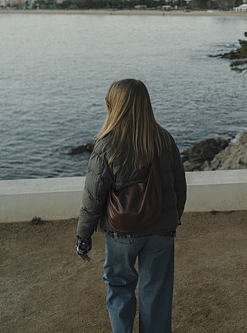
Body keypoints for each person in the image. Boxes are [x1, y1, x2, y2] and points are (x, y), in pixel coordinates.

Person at [77, 79, 187, 333]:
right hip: (161, 232)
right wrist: (170, 220)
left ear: (115, 106)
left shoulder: (106, 146)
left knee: (119, 288)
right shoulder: (164, 140)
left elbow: (92, 199)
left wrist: (83, 236)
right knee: (156, 294)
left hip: (121, 232)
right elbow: (179, 187)